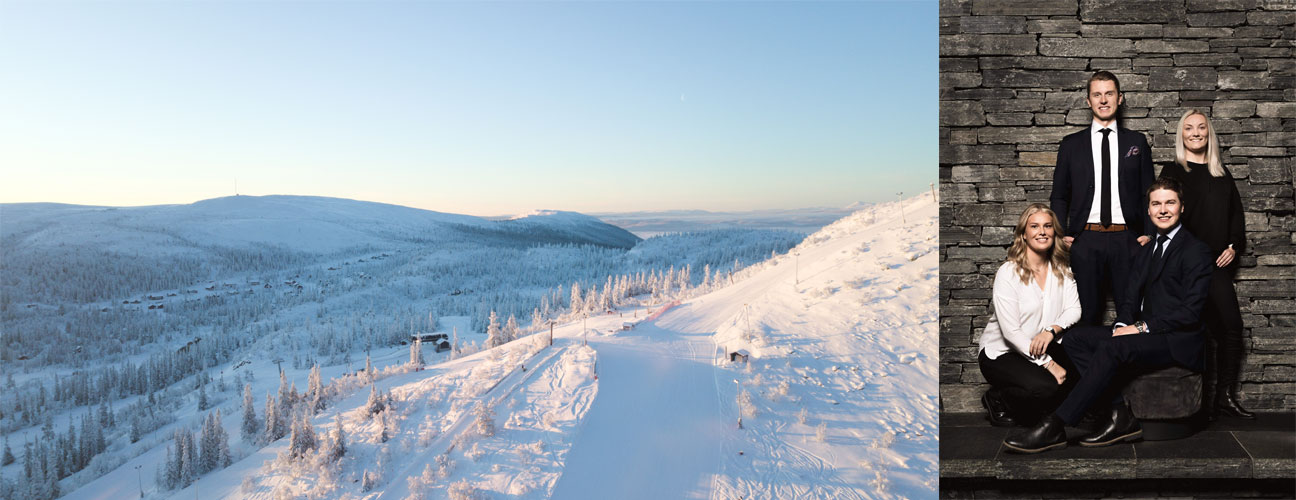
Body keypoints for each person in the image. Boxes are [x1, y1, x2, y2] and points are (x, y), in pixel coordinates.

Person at [1004, 177, 1212, 453]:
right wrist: (1123, 323)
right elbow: (1129, 297)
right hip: (1147, 334)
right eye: (1156, 204)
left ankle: (1057, 424)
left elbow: (1191, 312)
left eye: (1170, 203)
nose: (1163, 210)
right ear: (1148, 210)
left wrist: (1139, 328)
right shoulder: (1147, 250)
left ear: (1181, 207)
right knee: (1076, 339)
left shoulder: (1196, 250)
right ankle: (1118, 413)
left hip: (1178, 340)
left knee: (1117, 345)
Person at [1158, 110, 1253, 420]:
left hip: (1215, 265)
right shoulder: (1172, 171)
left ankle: (1224, 397)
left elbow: (1236, 217)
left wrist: (1233, 246)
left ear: (1209, 133)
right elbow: (1161, 214)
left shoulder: (1221, 174)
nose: (1196, 133)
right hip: (1185, 265)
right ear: (1181, 135)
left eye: (1201, 128)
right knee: (1194, 330)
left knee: (1230, 328)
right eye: (1189, 128)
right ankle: (1192, 404)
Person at [1049, 71, 1155, 325]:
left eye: (1109, 94)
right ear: (1089, 101)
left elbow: (1148, 192)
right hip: (1085, 240)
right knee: (1085, 316)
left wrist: (1149, 234)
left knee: (1131, 315)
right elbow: (1060, 195)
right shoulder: (1071, 145)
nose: (1103, 100)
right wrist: (1061, 234)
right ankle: (1086, 366)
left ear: (1120, 99)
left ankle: (1128, 365)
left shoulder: (1136, 142)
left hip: (1127, 239)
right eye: (1097, 94)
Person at [978, 204, 1082, 427]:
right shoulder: (1009, 272)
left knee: (1081, 380)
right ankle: (997, 399)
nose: (1042, 231)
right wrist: (1048, 364)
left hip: (1042, 345)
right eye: (1034, 226)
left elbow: (1074, 310)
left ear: (1054, 232)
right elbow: (1011, 333)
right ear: (1024, 234)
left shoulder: (1061, 269)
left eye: (1047, 226)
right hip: (1004, 352)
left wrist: (1050, 331)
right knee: (1046, 388)